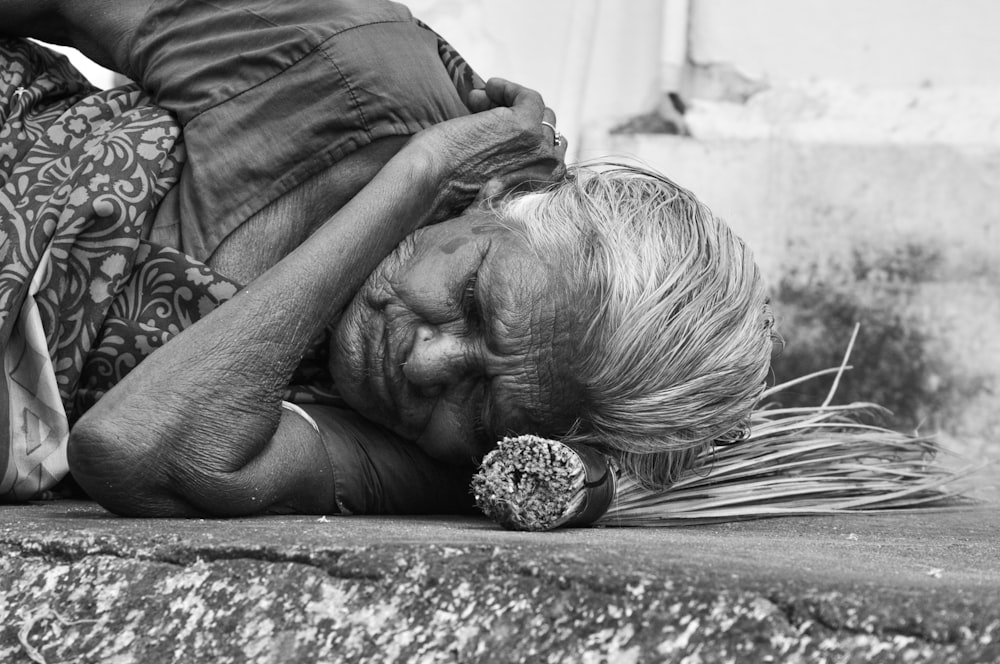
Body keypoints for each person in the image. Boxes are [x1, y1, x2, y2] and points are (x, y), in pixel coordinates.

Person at [1, 0, 776, 516]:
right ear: (501, 194)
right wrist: (417, 157)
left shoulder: (416, 452)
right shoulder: (353, 66)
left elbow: (132, 447)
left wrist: (418, 179)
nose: (426, 363)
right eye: (473, 299)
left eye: (477, 404)